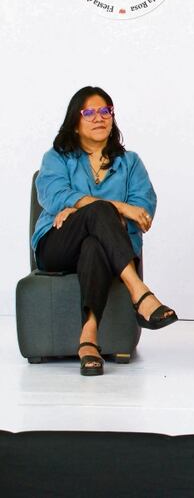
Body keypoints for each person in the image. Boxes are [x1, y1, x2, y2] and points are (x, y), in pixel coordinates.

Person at [33, 87, 176, 377]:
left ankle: (88, 340)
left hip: (104, 250)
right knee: (100, 213)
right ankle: (140, 293)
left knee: (94, 244)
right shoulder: (57, 158)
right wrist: (118, 209)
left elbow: (144, 213)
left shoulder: (130, 162)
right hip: (57, 244)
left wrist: (82, 210)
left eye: (105, 111)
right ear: (75, 122)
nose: (99, 118)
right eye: (89, 112)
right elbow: (54, 196)